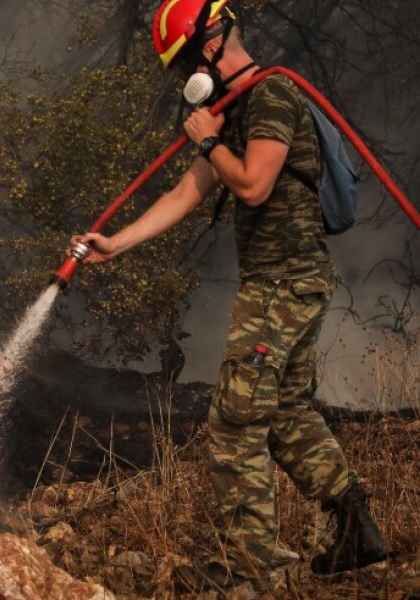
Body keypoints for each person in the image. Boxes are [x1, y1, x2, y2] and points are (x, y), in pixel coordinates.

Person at [69, 0, 392, 591]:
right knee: (286, 412)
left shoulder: (270, 97)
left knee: (236, 421)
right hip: (285, 285)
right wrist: (117, 243)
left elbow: (252, 183)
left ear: (209, 48)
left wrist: (211, 139)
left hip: (282, 285)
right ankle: (357, 528)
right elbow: (187, 194)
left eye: (182, 66)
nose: (181, 82)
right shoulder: (233, 108)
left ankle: (254, 569)